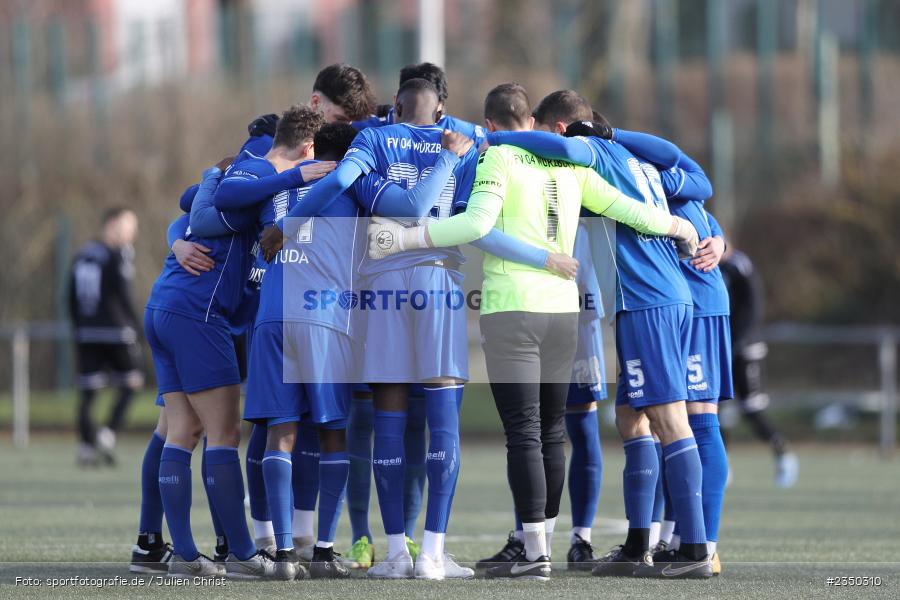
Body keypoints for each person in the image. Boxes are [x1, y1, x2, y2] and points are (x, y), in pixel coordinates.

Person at [366, 83, 698, 580]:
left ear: (492, 125)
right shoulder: (571, 167)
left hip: (512, 310)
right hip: (563, 313)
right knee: (552, 433)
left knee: (522, 434)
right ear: (532, 123)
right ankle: (544, 543)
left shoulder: (498, 159)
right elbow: (624, 207)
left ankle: (534, 551)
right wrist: (677, 227)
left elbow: (475, 224)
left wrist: (409, 236)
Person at [484, 89, 712, 579]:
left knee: (670, 419)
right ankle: (638, 545)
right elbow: (688, 172)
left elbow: (565, 150)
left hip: (646, 299)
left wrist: (495, 139)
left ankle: (692, 550)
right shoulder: (637, 160)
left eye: (544, 134)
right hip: (658, 296)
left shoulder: (592, 152)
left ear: (560, 129)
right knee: (632, 417)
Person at [719, 247, 798, 488]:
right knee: (714, 407)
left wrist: (738, 340)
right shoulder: (715, 267)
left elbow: (753, 307)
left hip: (747, 350)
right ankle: (723, 467)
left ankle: (783, 454)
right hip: (723, 349)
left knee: (751, 408)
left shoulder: (738, 265)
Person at [69, 208, 143, 467]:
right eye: (128, 226)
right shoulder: (117, 254)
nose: (132, 234)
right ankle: (107, 433)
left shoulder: (82, 254)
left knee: (88, 391)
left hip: (87, 332)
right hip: (116, 331)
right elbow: (122, 293)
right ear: (112, 224)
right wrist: (138, 325)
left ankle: (85, 446)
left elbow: (69, 296)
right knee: (132, 382)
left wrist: (78, 328)